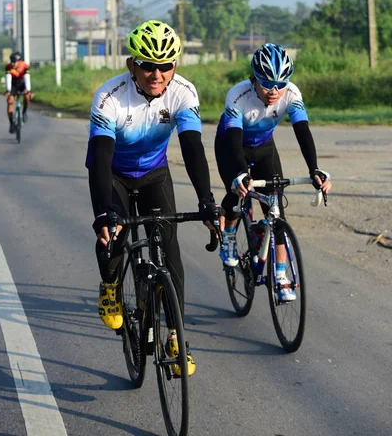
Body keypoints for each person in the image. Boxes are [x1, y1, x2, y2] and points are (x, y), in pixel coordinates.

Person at [86, 20, 223, 376]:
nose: (157, 73)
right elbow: (100, 157)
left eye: (165, 65)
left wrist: (207, 201)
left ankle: (177, 336)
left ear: (175, 65)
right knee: (114, 235)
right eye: (148, 65)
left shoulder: (184, 93)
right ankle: (110, 284)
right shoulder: (109, 96)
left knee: (170, 246)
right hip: (113, 172)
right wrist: (103, 213)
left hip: (153, 173)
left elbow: (193, 148)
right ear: (132, 64)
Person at [215, 43, 332, 301]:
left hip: (264, 147)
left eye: (281, 84)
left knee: (276, 210)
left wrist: (314, 169)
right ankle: (229, 236)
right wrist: (239, 174)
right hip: (232, 146)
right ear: (255, 78)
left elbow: (303, 132)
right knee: (237, 193)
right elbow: (234, 141)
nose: (274, 91)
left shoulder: (291, 93)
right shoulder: (238, 95)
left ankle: (281, 276)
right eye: (267, 83)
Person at [4, 52, 33, 133]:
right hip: (13, 84)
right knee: (10, 101)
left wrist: (28, 90)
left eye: (15, 61)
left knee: (27, 97)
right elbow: (8, 78)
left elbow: (27, 78)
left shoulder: (25, 66)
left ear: (20, 61)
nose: (13, 63)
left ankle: (24, 112)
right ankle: (11, 123)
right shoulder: (8, 67)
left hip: (22, 84)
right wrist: (8, 90)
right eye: (12, 61)